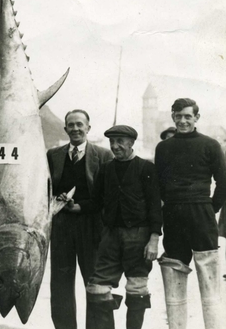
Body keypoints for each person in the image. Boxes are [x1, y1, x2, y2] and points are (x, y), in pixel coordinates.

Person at [74, 125, 161, 329]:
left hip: (139, 236)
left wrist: (154, 240)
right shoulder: (105, 169)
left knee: (137, 288)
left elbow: (155, 207)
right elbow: (95, 203)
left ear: (132, 143)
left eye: (120, 141)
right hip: (110, 237)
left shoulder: (146, 168)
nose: (115, 146)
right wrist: (74, 206)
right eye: (112, 142)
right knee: (96, 288)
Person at [155, 98, 226, 329]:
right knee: (174, 270)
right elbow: (159, 184)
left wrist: (210, 208)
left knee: (209, 275)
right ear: (172, 116)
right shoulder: (163, 147)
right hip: (174, 216)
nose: (183, 120)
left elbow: (223, 181)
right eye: (178, 116)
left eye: (188, 116)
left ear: (197, 117)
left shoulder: (210, 145)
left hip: (201, 213)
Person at [46, 109, 113, 329]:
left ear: (88, 128)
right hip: (61, 227)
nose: (75, 128)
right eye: (71, 125)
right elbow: (45, 190)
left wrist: (81, 206)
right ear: (65, 129)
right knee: (61, 284)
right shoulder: (53, 155)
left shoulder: (103, 155)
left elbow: (109, 197)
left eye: (79, 124)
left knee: (95, 283)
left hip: (92, 227)